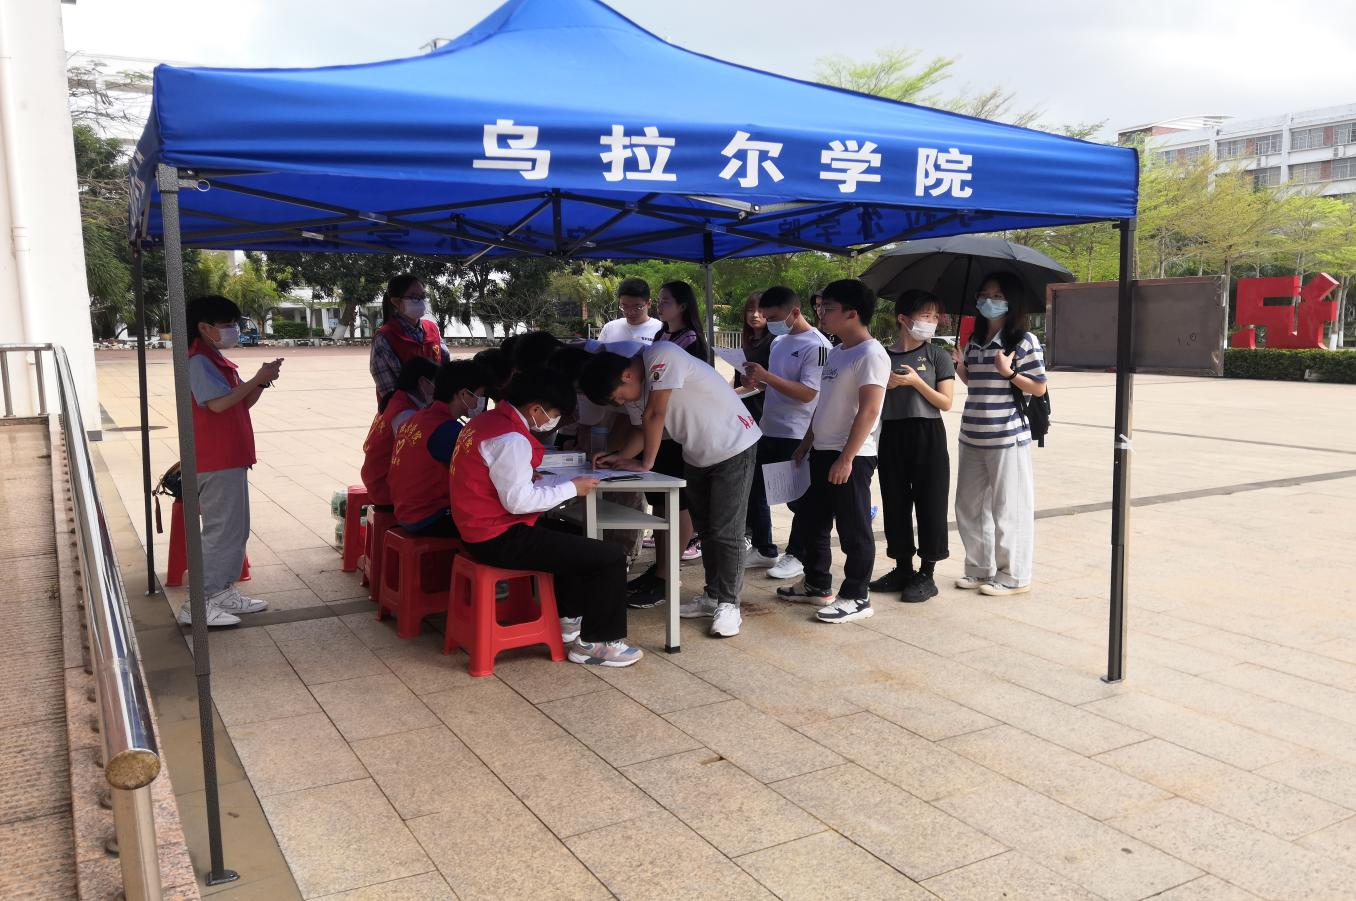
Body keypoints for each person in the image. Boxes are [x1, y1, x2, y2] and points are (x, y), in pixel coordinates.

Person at [449, 370, 643, 667]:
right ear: (535, 409)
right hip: (497, 536)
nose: (553, 421)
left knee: (574, 538)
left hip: (477, 529)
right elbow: (518, 502)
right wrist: (572, 488)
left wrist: (532, 478)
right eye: (554, 415)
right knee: (611, 557)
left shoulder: (484, 423)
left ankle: (567, 618)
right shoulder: (511, 438)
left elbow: (494, 478)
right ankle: (598, 643)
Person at [580, 342, 761, 638]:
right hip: (697, 454)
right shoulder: (636, 392)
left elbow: (655, 414)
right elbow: (642, 429)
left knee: (727, 531)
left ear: (627, 375)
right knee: (707, 529)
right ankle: (713, 595)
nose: (621, 402)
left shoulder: (661, 355)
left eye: (618, 396)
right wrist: (621, 456)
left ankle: (730, 604)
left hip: (733, 445)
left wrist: (645, 463)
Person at [776, 279, 888, 623]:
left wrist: (847, 458)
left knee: (853, 529)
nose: (821, 314)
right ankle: (816, 582)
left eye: (828, 308)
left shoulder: (871, 354)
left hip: (851, 455)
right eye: (820, 307)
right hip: (822, 450)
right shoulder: (838, 351)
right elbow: (824, 403)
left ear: (853, 313)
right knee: (813, 522)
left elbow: (869, 410)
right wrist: (807, 442)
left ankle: (857, 596)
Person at [179, 294, 281, 627]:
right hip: (216, 457)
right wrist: (255, 379)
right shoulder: (198, 361)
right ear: (204, 327)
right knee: (221, 530)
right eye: (226, 324)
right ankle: (199, 602)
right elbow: (217, 405)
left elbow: (239, 403)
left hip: (229, 455)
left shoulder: (213, 358)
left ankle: (220, 591)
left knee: (234, 529)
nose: (233, 330)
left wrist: (262, 381)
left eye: (235, 324)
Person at [950, 272, 1048, 596]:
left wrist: (1010, 372)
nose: (988, 300)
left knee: (1009, 508)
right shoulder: (974, 340)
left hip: (1007, 436)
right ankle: (979, 569)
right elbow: (975, 383)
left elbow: (1038, 387)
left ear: (1011, 301)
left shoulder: (1023, 341)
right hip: (972, 434)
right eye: (984, 294)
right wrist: (960, 366)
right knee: (969, 507)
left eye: (997, 295)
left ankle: (1014, 576)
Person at [869, 290, 955, 602]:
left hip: (927, 432)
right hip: (892, 432)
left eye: (935, 316)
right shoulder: (882, 356)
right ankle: (902, 567)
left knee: (930, 501)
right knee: (895, 500)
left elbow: (945, 402)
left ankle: (927, 573)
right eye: (925, 316)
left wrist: (915, 382)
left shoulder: (937, 355)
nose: (932, 322)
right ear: (904, 319)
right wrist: (885, 384)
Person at [740, 286, 832, 574]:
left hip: (797, 432)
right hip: (769, 427)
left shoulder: (817, 346)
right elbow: (775, 384)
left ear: (795, 312)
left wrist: (767, 377)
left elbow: (808, 393)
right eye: (767, 317)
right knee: (756, 491)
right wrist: (758, 382)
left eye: (774, 317)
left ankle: (798, 554)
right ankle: (764, 548)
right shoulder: (779, 342)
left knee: (799, 499)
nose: (769, 323)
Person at [387, 360, 490, 537]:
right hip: (429, 516)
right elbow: (481, 472)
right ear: (464, 394)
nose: (481, 402)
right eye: (480, 396)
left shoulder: (418, 418)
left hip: (405, 511)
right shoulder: (446, 430)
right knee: (498, 521)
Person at [360, 356, 438, 515]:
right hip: (384, 488)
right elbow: (419, 455)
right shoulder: (405, 413)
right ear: (423, 383)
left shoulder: (396, 401)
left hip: (377, 480)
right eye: (437, 383)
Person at [369, 275, 450, 403]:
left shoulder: (432, 329)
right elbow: (389, 391)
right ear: (396, 302)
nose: (421, 301)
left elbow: (446, 369)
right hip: (404, 410)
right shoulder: (385, 337)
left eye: (423, 296)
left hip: (436, 407)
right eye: (414, 297)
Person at [654, 280, 710, 361]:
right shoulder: (659, 335)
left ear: (682, 307)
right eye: (658, 301)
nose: (659, 306)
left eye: (665, 302)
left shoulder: (690, 339)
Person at [597, 278, 663, 345]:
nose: (630, 312)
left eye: (637, 307)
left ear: (648, 303)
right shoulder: (609, 328)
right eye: (625, 307)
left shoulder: (661, 330)